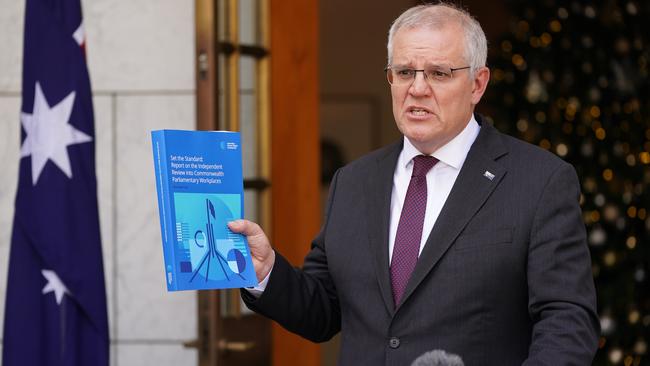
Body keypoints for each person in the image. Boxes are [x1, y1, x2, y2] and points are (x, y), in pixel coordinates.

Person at [228, 3, 600, 365]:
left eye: (439, 73)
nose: (417, 89)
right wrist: (266, 272)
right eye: (405, 72)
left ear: (477, 84)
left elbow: (567, 322)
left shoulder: (539, 180)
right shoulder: (354, 181)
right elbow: (324, 309)